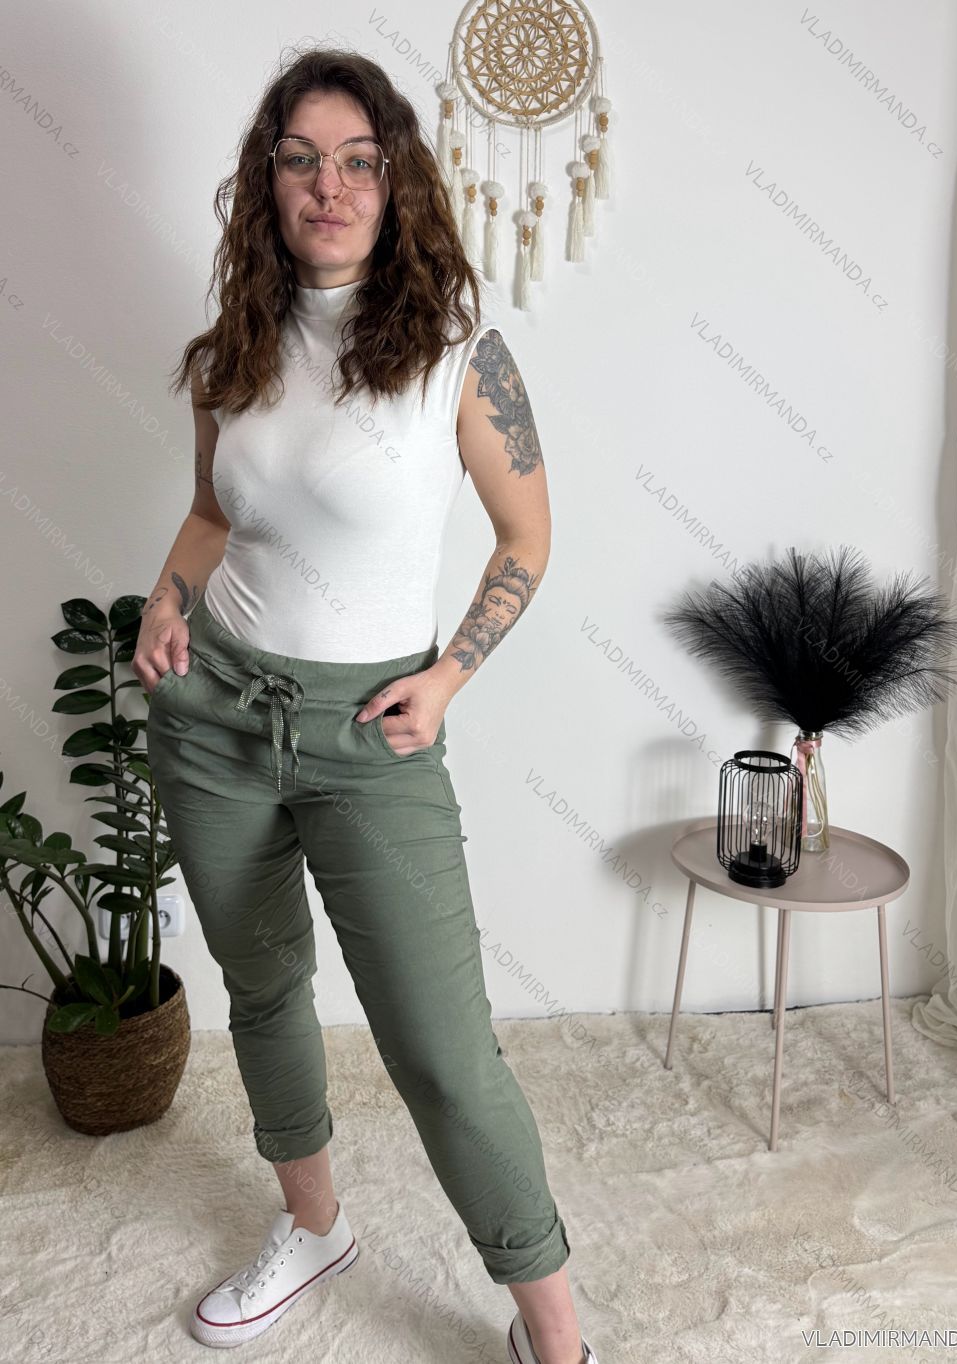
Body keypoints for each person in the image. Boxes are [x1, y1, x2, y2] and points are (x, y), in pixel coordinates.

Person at [135, 46, 598, 1364]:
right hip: (214, 712)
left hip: (370, 733)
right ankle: (313, 1225)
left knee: (443, 1047)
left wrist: (448, 676)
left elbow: (525, 539)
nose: (327, 187)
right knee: (264, 987)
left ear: (395, 183)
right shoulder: (233, 348)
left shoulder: (460, 357)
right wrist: (166, 600)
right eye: (300, 161)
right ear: (267, 183)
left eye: (356, 161)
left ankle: (554, 1331)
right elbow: (213, 510)